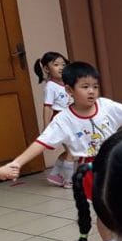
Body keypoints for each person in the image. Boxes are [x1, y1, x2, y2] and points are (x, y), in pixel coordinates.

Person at [0, 61, 122, 241]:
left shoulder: (106, 106)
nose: (92, 92)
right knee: (104, 209)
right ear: (69, 90)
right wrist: (17, 163)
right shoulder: (63, 119)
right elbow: (42, 142)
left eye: (95, 86)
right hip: (91, 169)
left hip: (117, 163)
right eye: (85, 87)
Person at [33, 51, 75, 187]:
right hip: (61, 122)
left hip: (71, 120)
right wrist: (47, 127)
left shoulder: (67, 84)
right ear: (46, 69)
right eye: (56, 64)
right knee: (72, 151)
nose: (61, 67)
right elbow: (47, 107)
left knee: (72, 149)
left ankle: (54, 173)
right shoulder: (50, 86)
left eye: (63, 64)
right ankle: (69, 180)